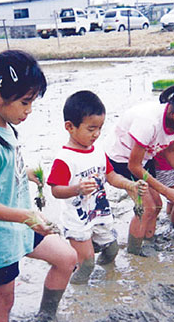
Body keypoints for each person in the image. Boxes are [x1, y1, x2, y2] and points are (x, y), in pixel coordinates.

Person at [0, 49, 77, 322]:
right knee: (3, 304)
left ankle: (46, 316)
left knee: (67, 258)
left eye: (32, 102)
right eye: (25, 102)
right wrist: (28, 217)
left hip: (21, 228)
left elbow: (1, 173)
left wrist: (24, 173)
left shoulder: (5, 127)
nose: (29, 111)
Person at [46, 90, 147, 284]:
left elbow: (110, 175)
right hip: (78, 219)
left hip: (99, 214)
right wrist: (77, 189)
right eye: (91, 129)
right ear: (70, 127)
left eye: (100, 128)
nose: (97, 134)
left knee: (112, 250)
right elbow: (56, 190)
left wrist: (130, 185)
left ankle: (107, 282)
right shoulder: (64, 159)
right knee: (87, 264)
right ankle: (77, 294)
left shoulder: (98, 151)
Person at [106, 85, 174, 255]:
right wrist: (167, 191)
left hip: (145, 157)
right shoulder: (149, 122)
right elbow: (133, 166)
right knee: (146, 207)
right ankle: (134, 252)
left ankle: (149, 240)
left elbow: (170, 151)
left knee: (157, 204)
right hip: (121, 160)